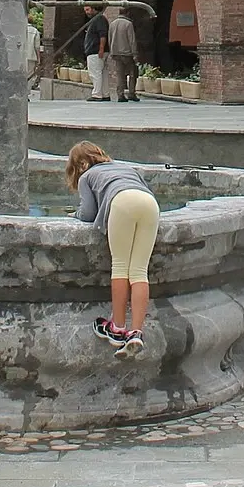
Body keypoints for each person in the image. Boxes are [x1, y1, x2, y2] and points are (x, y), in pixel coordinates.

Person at [67, 140, 159, 357]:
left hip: (122, 202)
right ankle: (136, 332)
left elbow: (88, 213)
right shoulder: (125, 168)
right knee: (139, 271)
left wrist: (74, 214)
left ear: (80, 164)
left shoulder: (87, 176)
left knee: (120, 266)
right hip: (149, 204)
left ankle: (117, 328)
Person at [107, 8, 140, 102]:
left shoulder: (112, 24)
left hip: (116, 53)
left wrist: (111, 51)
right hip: (127, 53)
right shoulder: (128, 24)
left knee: (120, 75)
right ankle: (131, 93)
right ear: (127, 13)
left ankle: (120, 95)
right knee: (133, 73)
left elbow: (109, 38)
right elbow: (132, 40)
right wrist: (135, 54)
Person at [82, 2, 110, 101]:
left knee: (95, 73)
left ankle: (97, 94)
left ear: (93, 8)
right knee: (103, 73)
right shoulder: (98, 19)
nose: (86, 12)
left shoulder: (99, 19)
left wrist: (101, 49)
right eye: (85, 10)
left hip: (95, 51)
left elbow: (103, 35)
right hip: (98, 51)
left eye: (88, 10)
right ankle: (105, 94)